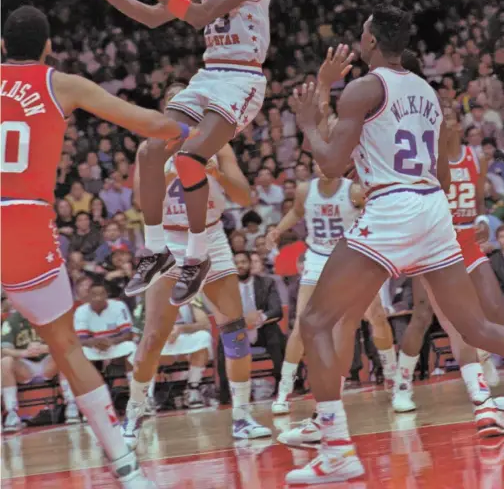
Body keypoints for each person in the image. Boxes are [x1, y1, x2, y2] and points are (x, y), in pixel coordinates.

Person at [281, 6, 504, 485]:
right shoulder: (424, 90)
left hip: (393, 209)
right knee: (476, 327)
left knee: (315, 320)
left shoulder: (365, 88)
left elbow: (329, 166)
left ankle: (336, 447)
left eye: (361, 32)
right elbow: (442, 175)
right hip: (432, 208)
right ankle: (324, 427)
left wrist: (306, 119)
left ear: (369, 41)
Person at [1, 5, 191, 488]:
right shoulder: (61, 83)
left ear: (3, 46)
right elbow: (149, 124)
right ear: (48, 48)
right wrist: (188, 125)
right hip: (22, 221)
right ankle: (126, 467)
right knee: (66, 347)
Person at [80, 0, 270, 304]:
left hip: (241, 78)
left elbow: (198, 17)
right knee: (150, 152)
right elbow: (153, 16)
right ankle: (156, 249)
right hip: (209, 74)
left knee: (189, 159)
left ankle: (197, 258)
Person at [122, 82, 271, 450]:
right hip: (170, 241)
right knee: (154, 336)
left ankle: (241, 416)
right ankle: (135, 409)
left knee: (234, 331)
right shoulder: (151, 147)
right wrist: (172, 173)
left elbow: (243, 195)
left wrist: (215, 172)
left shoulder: (216, 143)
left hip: (211, 237)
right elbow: (142, 201)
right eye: (174, 103)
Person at [391, 107, 504, 433]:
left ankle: (484, 366)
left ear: (459, 123)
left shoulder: (474, 157)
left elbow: (480, 204)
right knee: (423, 316)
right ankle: (402, 385)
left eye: (450, 118)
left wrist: (483, 222)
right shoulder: (425, 160)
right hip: (436, 245)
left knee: (495, 309)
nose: (446, 123)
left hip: (468, 242)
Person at [267, 159, 397, 419]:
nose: (322, 163)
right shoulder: (305, 190)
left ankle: (394, 380)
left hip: (349, 258)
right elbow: (297, 211)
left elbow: (377, 211)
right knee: (302, 326)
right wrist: (278, 230)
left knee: (377, 317)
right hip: (317, 257)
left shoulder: (354, 191)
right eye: (317, 159)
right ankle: (284, 392)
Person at [216, 251, 286, 401]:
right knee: (224, 341)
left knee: (275, 334)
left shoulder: (266, 283)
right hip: (239, 332)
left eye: (243, 262)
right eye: (236, 263)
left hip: (262, 329)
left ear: (250, 264)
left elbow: (277, 310)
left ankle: (282, 386)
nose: (240, 266)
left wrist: (260, 317)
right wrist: (245, 321)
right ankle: (226, 393)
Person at [1, 310, 79, 430]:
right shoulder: (12, 320)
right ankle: (11, 412)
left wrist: (45, 348)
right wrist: (24, 352)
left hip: (48, 362)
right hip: (25, 366)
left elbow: (66, 342)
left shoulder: (50, 316)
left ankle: (71, 404)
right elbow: (4, 349)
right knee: (5, 362)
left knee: (65, 355)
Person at [74, 282, 136, 378]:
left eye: (101, 294)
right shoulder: (81, 311)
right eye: (94, 294)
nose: (98, 298)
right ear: (88, 296)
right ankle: (91, 387)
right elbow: (80, 340)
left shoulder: (119, 306)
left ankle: (134, 385)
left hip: (114, 345)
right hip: (93, 348)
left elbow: (128, 334)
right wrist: (94, 342)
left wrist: (111, 342)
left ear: (107, 295)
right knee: (78, 353)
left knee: (131, 347)